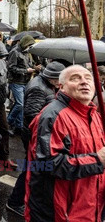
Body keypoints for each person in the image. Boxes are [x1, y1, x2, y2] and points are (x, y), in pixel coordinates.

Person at [25, 65, 105, 222]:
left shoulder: (94, 116)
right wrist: (97, 160)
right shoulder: (52, 116)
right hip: (60, 212)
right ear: (61, 87)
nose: (84, 82)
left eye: (88, 78)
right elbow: (47, 164)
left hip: (90, 208)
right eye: (75, 78)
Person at [7, 61, 65, 217]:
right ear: (52, 78)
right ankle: (15, 201)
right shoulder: (38, 88)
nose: (60, 84)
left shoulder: (46, 85)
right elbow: (33, 115)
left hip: (38, 135)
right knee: (31, 168)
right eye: (59, 80)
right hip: (35, 135)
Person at [7, 35, 41, 135]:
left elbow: (28, 65)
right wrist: (26, 71)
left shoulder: (27, 53)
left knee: (21, 104)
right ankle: (9, 120)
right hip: (16, 82)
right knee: (20, 104)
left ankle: (19, 125)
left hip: (25, 81)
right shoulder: (14, 52)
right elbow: (11, 68)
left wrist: (35, 67)